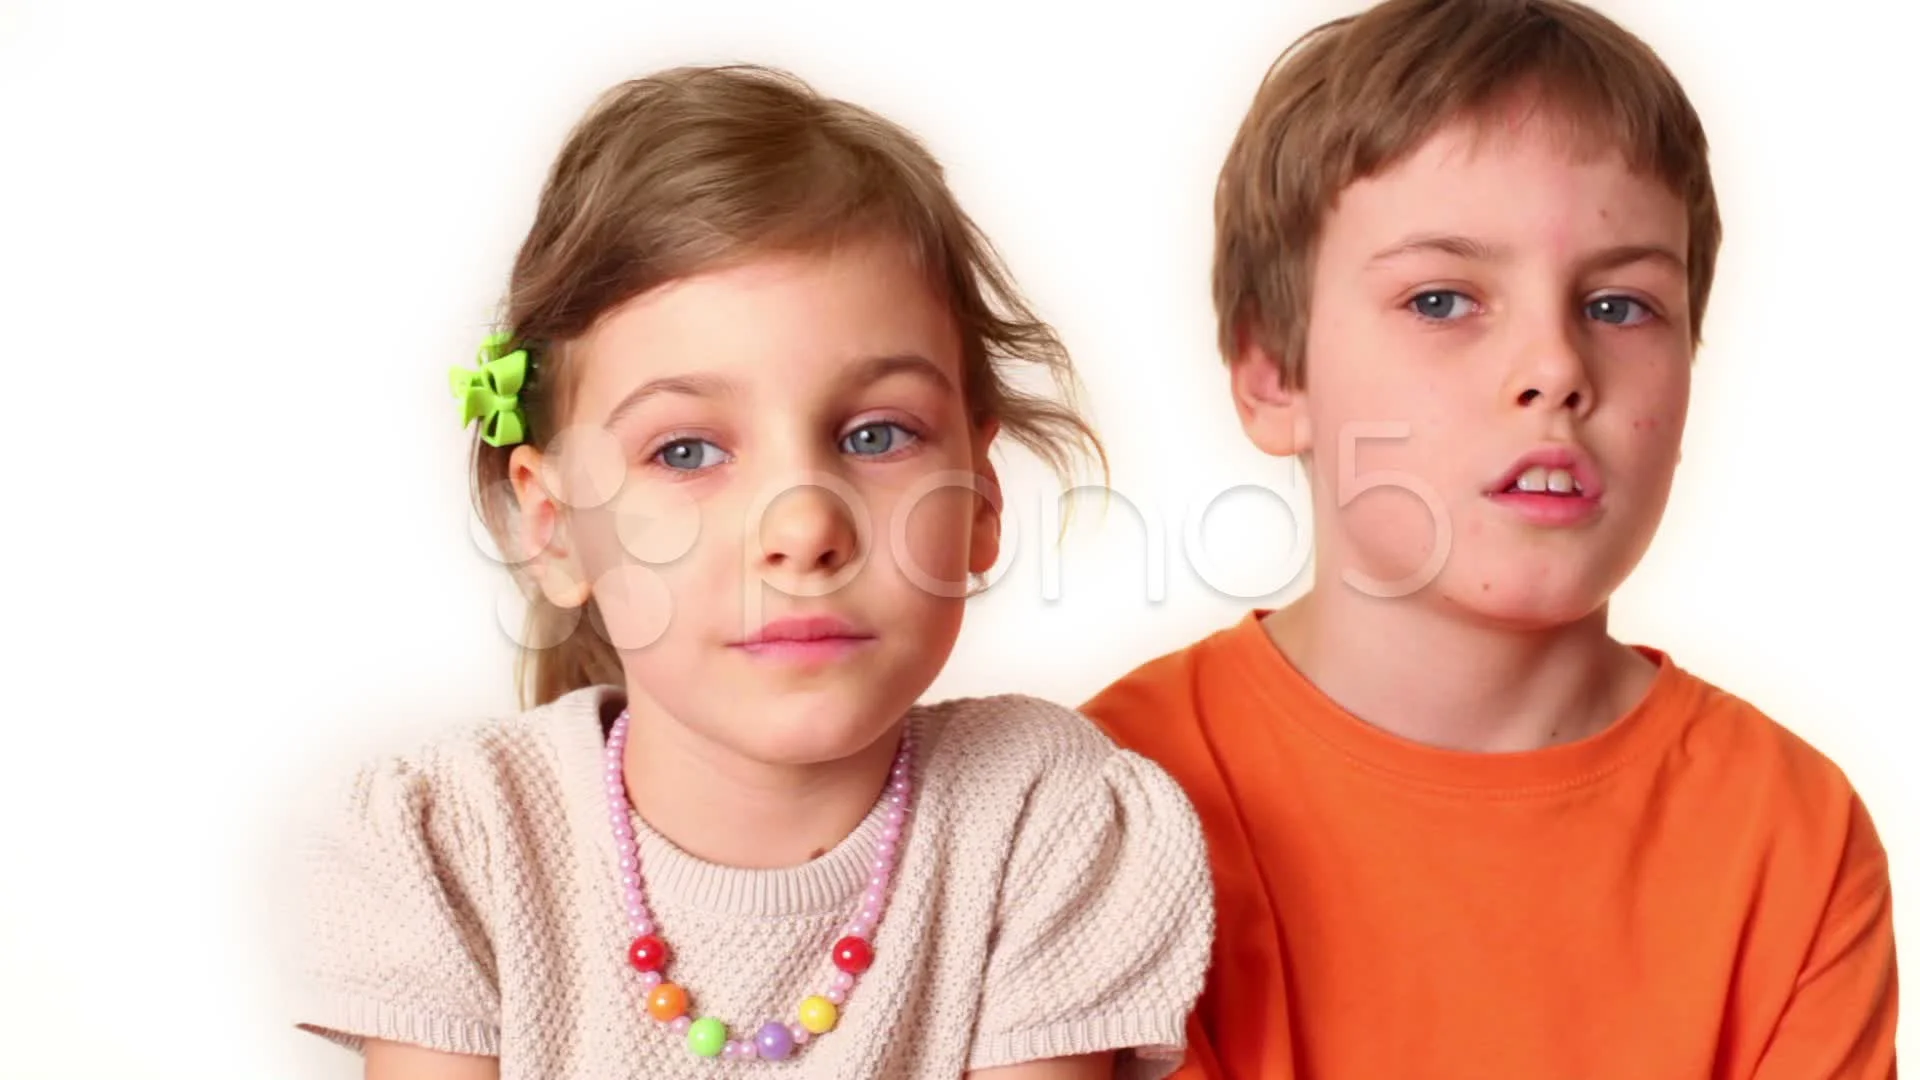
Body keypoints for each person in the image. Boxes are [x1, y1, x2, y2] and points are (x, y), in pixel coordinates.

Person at [288, 63, 1213, 1079]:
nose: (804, 524)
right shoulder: (457, 843)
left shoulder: (1048, 821)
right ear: (554, 528)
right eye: (686, 450)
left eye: (877, 433)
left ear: (983, 502)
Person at [1081, 1, 1899, 1076]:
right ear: (1274, 375)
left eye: (1620, 306)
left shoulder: (1793, 836)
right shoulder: (1110, 799)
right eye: (1441, 298)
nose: (1555, 367)